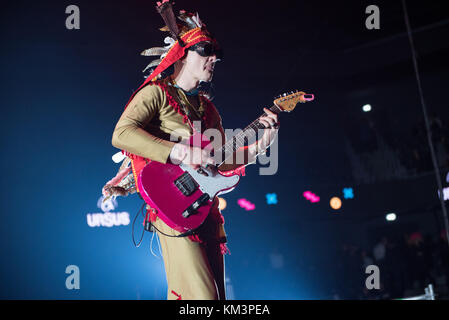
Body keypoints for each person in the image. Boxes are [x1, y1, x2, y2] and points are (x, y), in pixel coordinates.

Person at [103, 1, 279, 300]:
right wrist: (180, 152)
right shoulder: (155, 93)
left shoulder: (208, 109)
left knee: (214, 298)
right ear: (182, 54)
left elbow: (221, 162)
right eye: (207, 51)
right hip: (170, 207)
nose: (214, 59)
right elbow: (121, 134)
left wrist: (262, 144)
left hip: (204, 208)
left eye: (216, 55)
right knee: (202, 297)